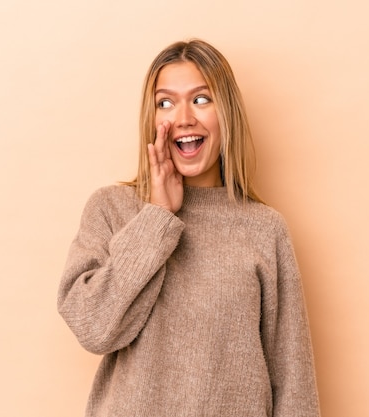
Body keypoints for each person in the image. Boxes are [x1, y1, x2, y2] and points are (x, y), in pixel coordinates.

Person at [57, 39, 320, 417]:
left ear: (226, 112)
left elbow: (293, 384)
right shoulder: (112, 209)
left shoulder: (265, 229)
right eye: (165, 102)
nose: (183, 118)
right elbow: (93, 328)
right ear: (151, 119)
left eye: (201, 99)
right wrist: (157, 217)